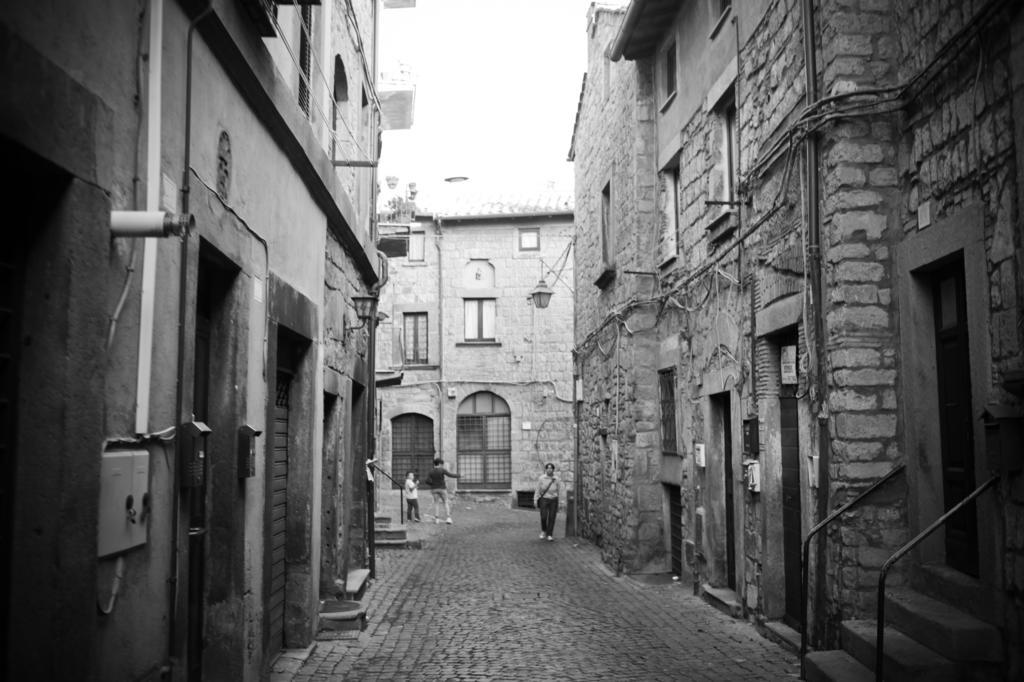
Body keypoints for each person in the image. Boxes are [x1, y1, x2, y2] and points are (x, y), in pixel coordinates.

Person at [426, 457, 460, 524]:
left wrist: (432, 484)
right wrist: (459, 475)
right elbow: (450, 475)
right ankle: (448, 518)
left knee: (436, 503)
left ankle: (437, 519)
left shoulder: (431, 471)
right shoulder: (442, 470)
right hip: (442, 489)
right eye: (442, 464)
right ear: (439, 463)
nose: (442, 465)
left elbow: (427, 481)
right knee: (445, 503)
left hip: (434, 489)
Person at [534, 463, 561, 541]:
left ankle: (549, 534)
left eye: (551, 468)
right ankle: (543, 530)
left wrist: (561, 500)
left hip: (553, 499)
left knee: (552, 517)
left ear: (553, 469)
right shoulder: (541, 478)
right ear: (545, 470)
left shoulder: (556, 479)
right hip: (544, 499)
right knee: (543, 516)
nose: (549, 470)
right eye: (548, 468)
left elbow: (559, 490)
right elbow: (537, 489)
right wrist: (535, 499)